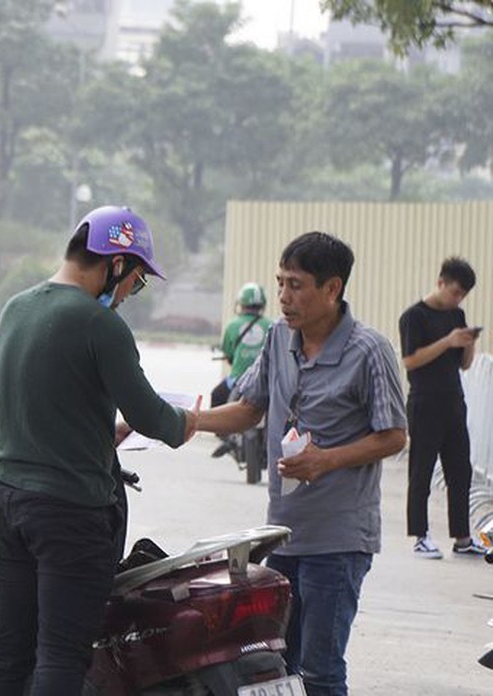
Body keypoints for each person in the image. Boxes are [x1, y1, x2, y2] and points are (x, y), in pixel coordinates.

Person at [0, 205, 198, 696]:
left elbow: (38, 397)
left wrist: (98, 429)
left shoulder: (17, 307)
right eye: (134, 283)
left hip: (6, 499)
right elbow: (151, 416)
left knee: (6, 645)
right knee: (61, 652)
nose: (127, 296)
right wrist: (188, 423)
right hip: (69, 510)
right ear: (115, 264)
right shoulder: (100, 326)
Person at [195, 231, 407, 696]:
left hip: (338, 541)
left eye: (296, 284)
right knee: (277, 664)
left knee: (322, 669)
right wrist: (187, 421)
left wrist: (326, 460)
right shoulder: (277, 338)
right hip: (284, 534)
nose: (284, 297)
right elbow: (250, 407)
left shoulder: (369, 351)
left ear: (332, 289)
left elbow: (394, 435)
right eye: (280, 283)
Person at [399, 256, 484, 558]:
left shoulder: (456, 315)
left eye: (462, 295)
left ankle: (462, 537)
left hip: (453, 401)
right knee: (421, 470)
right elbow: (410, 361)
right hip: (424, 401)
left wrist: (468, 343)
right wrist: (447, 341)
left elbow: (464, 365)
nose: (457, 299)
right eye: (455, 292)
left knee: (460, 470)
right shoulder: (414, 317)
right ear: (440, 283)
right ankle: (420, 535)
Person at [211, 282, 273, 408]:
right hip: (265, 382)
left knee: (216, 395)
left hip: (238, 380)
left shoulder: (232, 325)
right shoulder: (271, 325)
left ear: (241, 303)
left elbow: (228, 355)